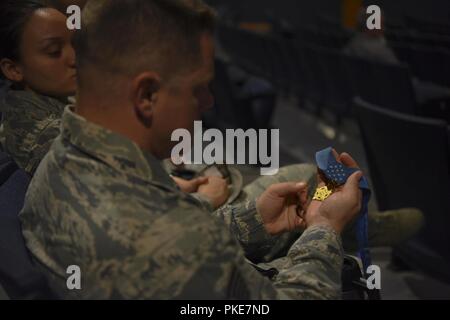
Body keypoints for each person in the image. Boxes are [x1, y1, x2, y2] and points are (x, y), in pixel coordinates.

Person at [20, 0, 364, 299]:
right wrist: (325, 228)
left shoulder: (60, 163)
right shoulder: (173, 237)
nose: (209, 101)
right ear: (146, 96)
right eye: (198, 88)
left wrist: (253, 220)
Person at [0, 0, 76, 175]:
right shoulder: (35, 130)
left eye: (76, 44)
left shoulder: (60, 96)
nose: (75, 59)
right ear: (14, 69)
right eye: (54, 51)